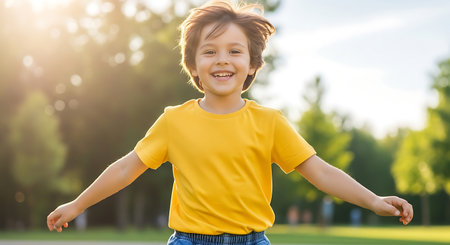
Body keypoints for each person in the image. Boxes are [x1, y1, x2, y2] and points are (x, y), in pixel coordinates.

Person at [47, 1, 414, 244]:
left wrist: (374, 200)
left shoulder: (270, 122)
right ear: (193, 66)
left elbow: (321, 171)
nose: (222, 60)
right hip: (190, 240)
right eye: (209, 51)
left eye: (234, 51)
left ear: (252, 64)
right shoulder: (174, 121)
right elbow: (127, 168)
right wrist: (78, 204)